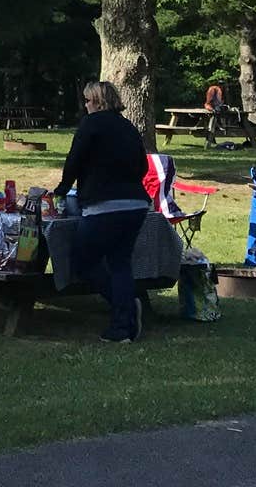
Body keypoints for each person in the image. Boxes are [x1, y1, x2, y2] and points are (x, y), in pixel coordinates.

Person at [56, 80, 150, 343]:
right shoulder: (129, 126)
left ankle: (126, 308)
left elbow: (74, 159)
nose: (85, 105)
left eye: (87, 100)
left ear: (97, 101)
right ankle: (123, 326)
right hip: (136, 204)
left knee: (82, 262)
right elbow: (143, 166)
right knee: (120, 263)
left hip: (104, 206)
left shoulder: (91, 124)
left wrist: (62, 189)